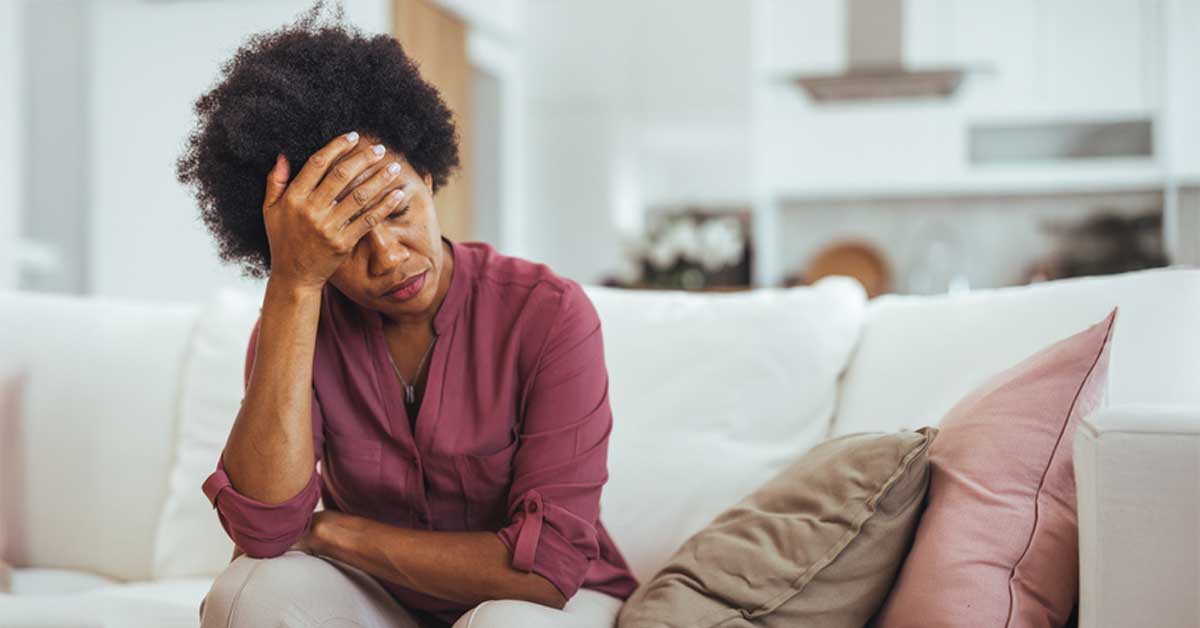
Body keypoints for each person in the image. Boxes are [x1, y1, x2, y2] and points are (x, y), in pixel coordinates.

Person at [175, 3, 638, 627]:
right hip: (385, 598)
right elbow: (265, 530)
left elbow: (545, 568)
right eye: (344, 240)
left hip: (549, 604)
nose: (390, 257)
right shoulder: (297, 318)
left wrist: (339, 534)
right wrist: (293, 283)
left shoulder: (547, 314)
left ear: (426, 173)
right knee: (249, 590)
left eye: (398, 211)